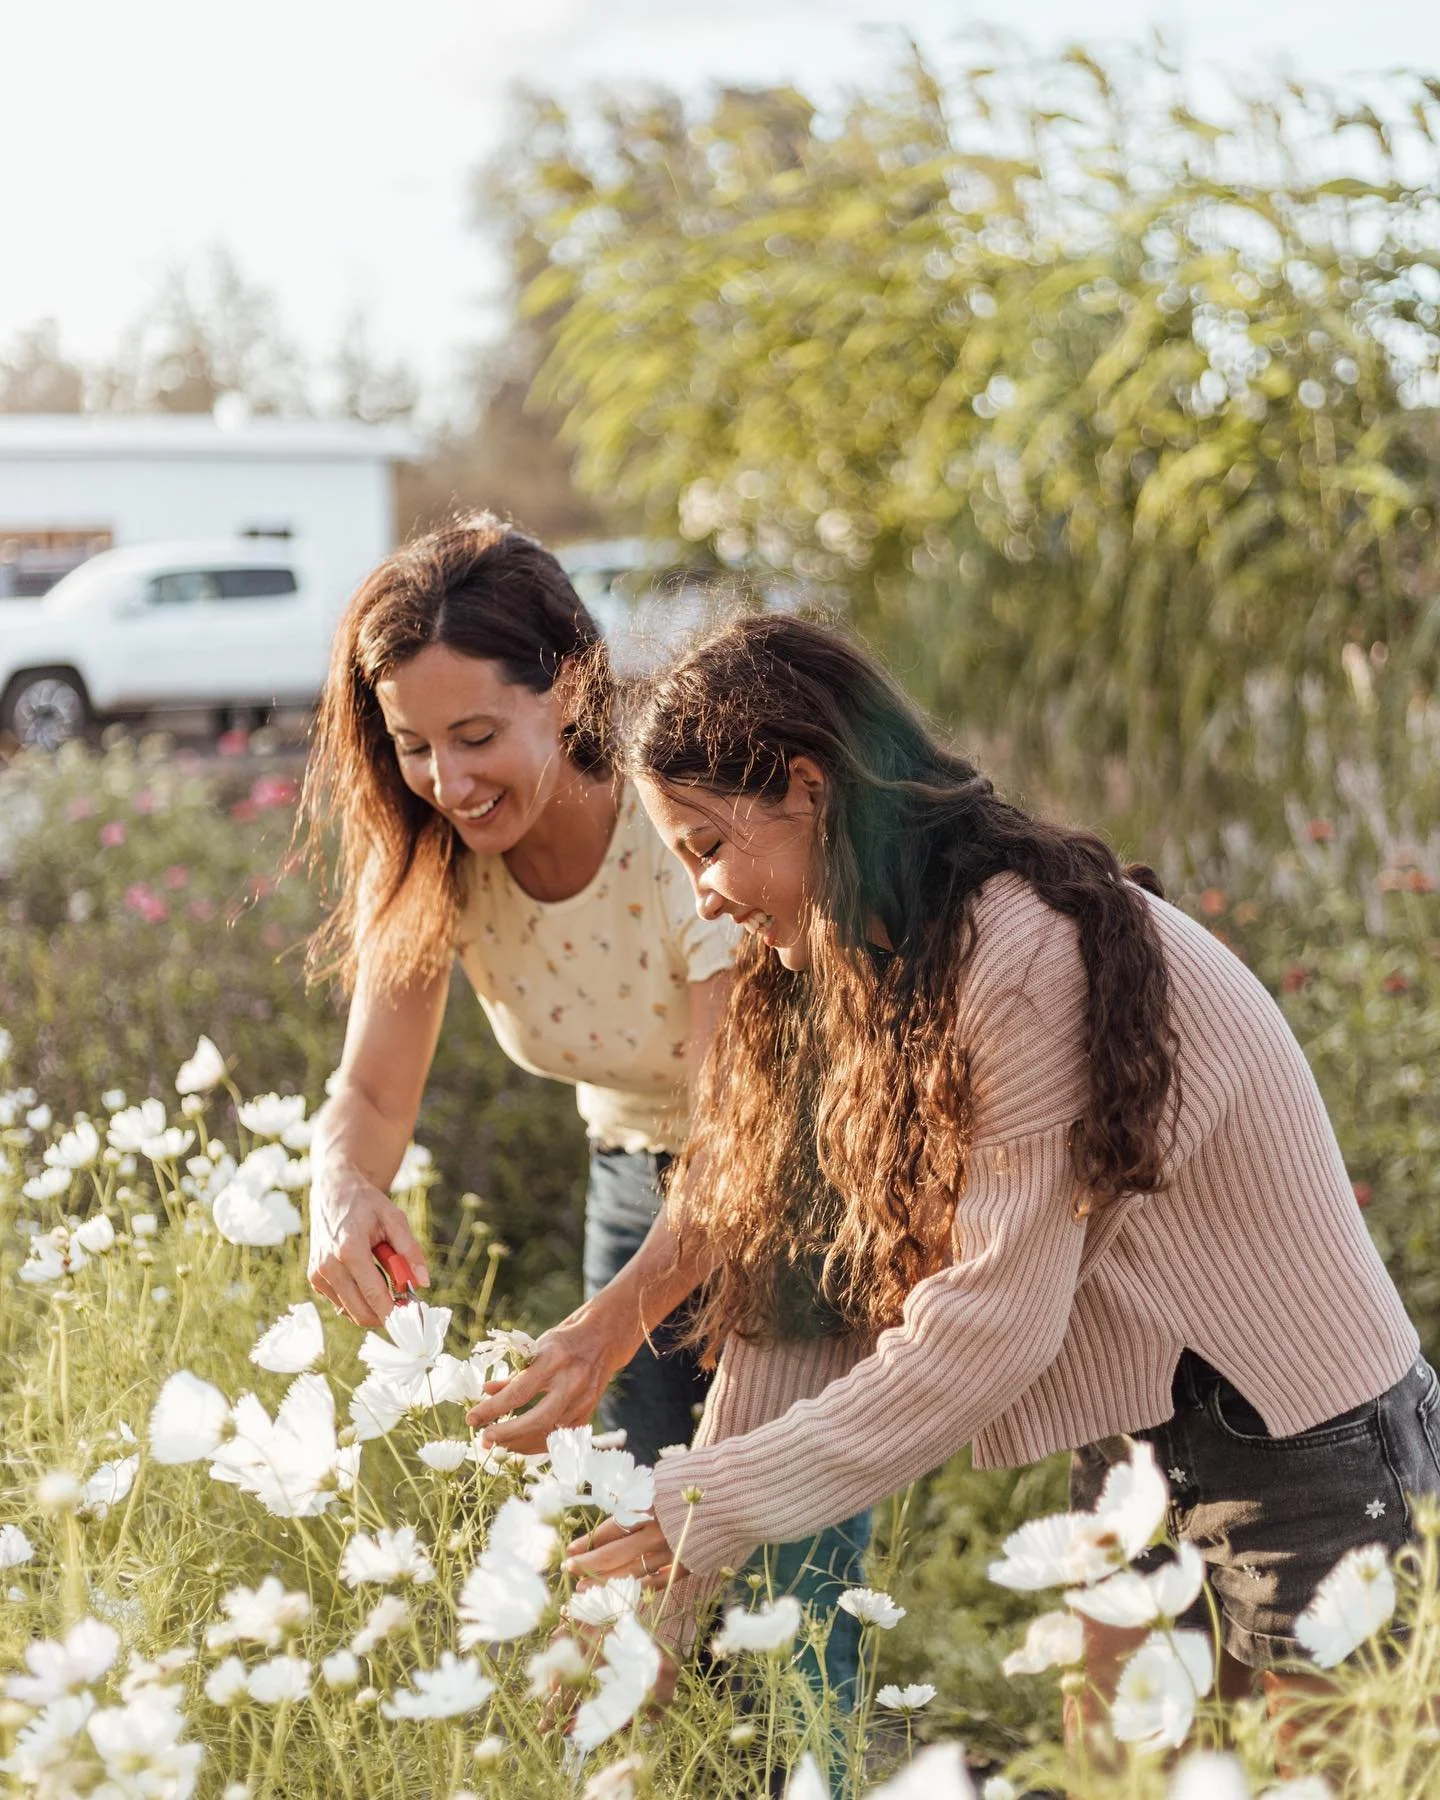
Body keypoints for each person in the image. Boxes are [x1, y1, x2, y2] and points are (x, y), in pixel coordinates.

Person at [476, 612, 1440, 1719]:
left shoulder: (1020, 955)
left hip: (1306, 1438)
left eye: (705, 845)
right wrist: (668, 1613)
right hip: (1139, 1432)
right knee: (1118, 1777)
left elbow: (989, 1330)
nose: (703, 894)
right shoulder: (851, 973)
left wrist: (710, 1502)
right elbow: (800, 1315)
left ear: (808, 787)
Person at [299, 520, 869, 1689]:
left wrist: (606, 1329)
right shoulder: (428, 857)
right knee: (642, 1582)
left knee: (794, 1582)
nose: (448, 783)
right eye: (411, 745)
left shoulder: (678, 842)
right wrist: (342, 1187)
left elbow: (737, 1147)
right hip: (635, 1192)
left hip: (794, 1194)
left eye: (474, 735)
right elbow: (367, 1089)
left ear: (564, 692)